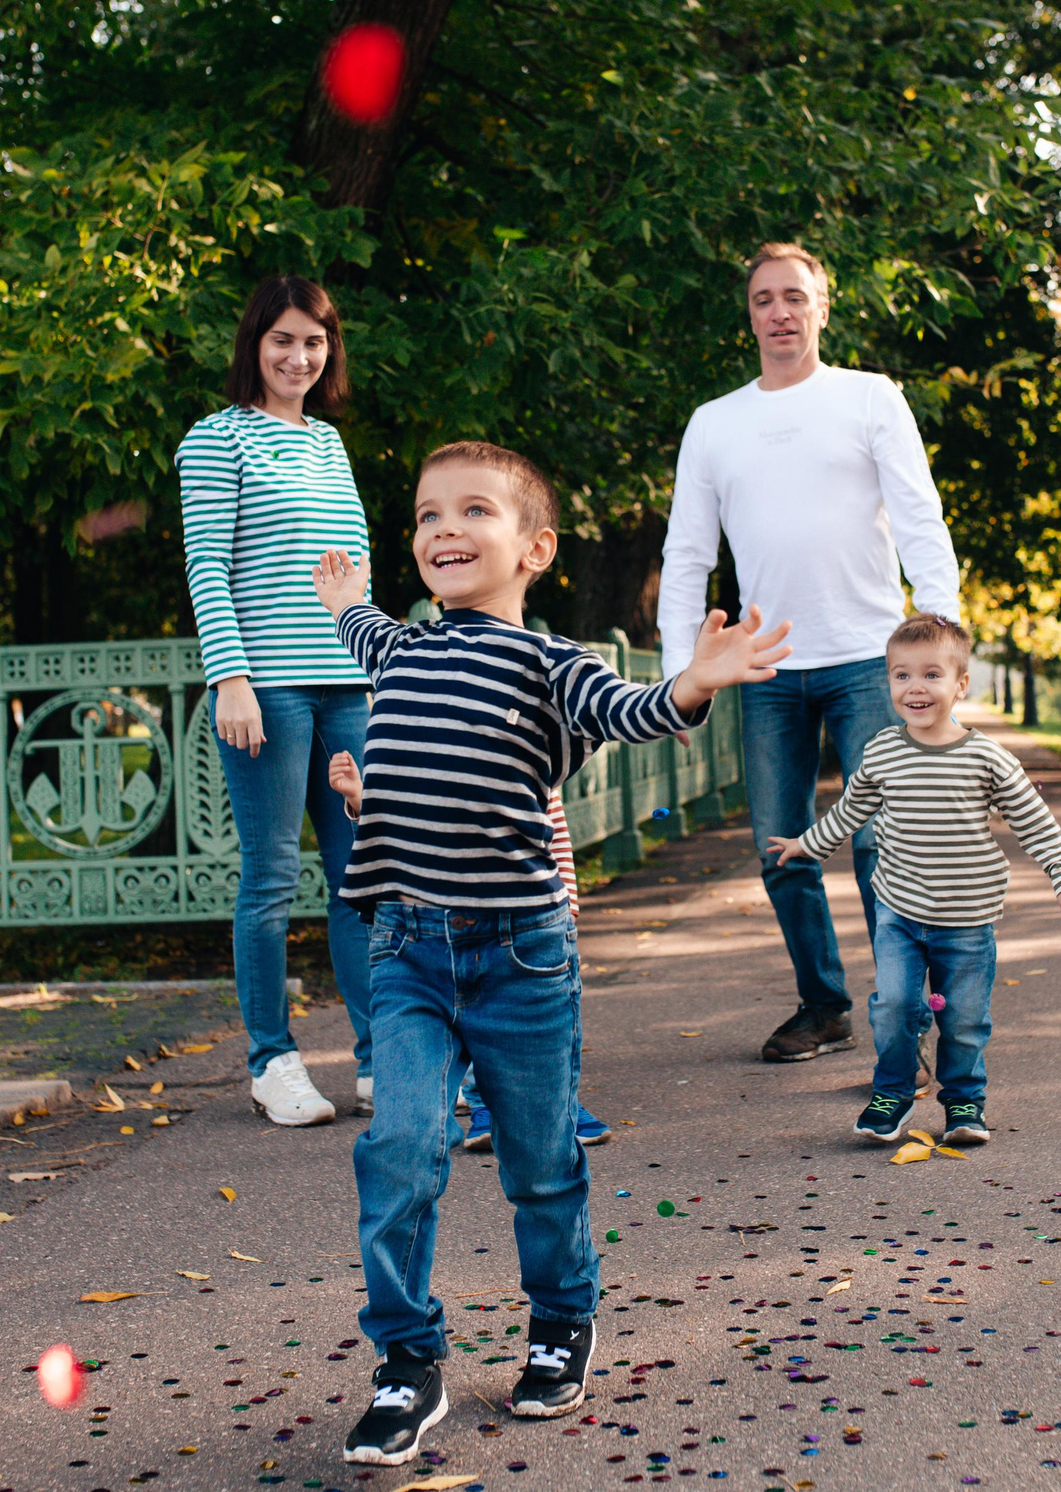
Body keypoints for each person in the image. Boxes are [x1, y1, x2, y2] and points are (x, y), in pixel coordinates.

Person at [311, 441, 788, 1466]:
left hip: (521, 957)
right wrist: (344, 594)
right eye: (427, 515)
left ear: (533, 547)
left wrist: (697, 683)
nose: (442, 529)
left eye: (471, 512)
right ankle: (406, 1364)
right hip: (406, 951)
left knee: (538, 1165)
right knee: (399, 1148)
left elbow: (634, 712)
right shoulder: (394, 650)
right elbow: (356, 627)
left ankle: (563, 1323)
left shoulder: (552, 664)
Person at [657, 241, 963, 1064]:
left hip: (869, 659)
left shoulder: (870, 398)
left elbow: (920, 518)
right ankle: (824, 1005)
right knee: (780, 845)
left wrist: (943, 646)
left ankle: (908, 1020)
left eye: (795, 296)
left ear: (822, 308)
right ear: (749, 314)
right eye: (764, 299)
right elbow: (687, 554)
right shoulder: (715, 422)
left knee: (877, 843)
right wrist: (675, 681)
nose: (780, 312)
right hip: (764, 668)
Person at [175, 276, 375, 1127]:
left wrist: (379, 660)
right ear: (255, 342)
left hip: (348, 682)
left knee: (364, 875)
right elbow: (207, 570)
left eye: (315, 342)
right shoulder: (217, 440)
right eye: (284, 340)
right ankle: (272, 1060)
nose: (299, 357)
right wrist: (231, 679)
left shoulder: (329, 445)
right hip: (269, 688)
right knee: (270, 879)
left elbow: (352, 567)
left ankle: (382, 1057)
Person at [767, 613, 1061, 1146]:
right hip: (900, 913)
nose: (915, 687)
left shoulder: (986, 757)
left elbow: (1033, 818)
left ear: (961, 684)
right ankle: (891, 1093)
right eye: (901, 675)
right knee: (894, 1006)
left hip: (968, 921)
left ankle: (963, 1103)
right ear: (888, 681)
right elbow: (851, 810)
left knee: (963, 1020)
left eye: (932, 675)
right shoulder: (884, 751)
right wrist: (807, 844)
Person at [323, 760, 614, 1149]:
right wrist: (360, 800)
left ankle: (557, 1106)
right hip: (441, 918)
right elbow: (394, 832)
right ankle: (485, 1107)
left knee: (541, 1024)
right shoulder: (419, 750)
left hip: (523, 916)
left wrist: (565, 907)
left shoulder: (520, 745)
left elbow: (552, 826)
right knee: (471, 1016)